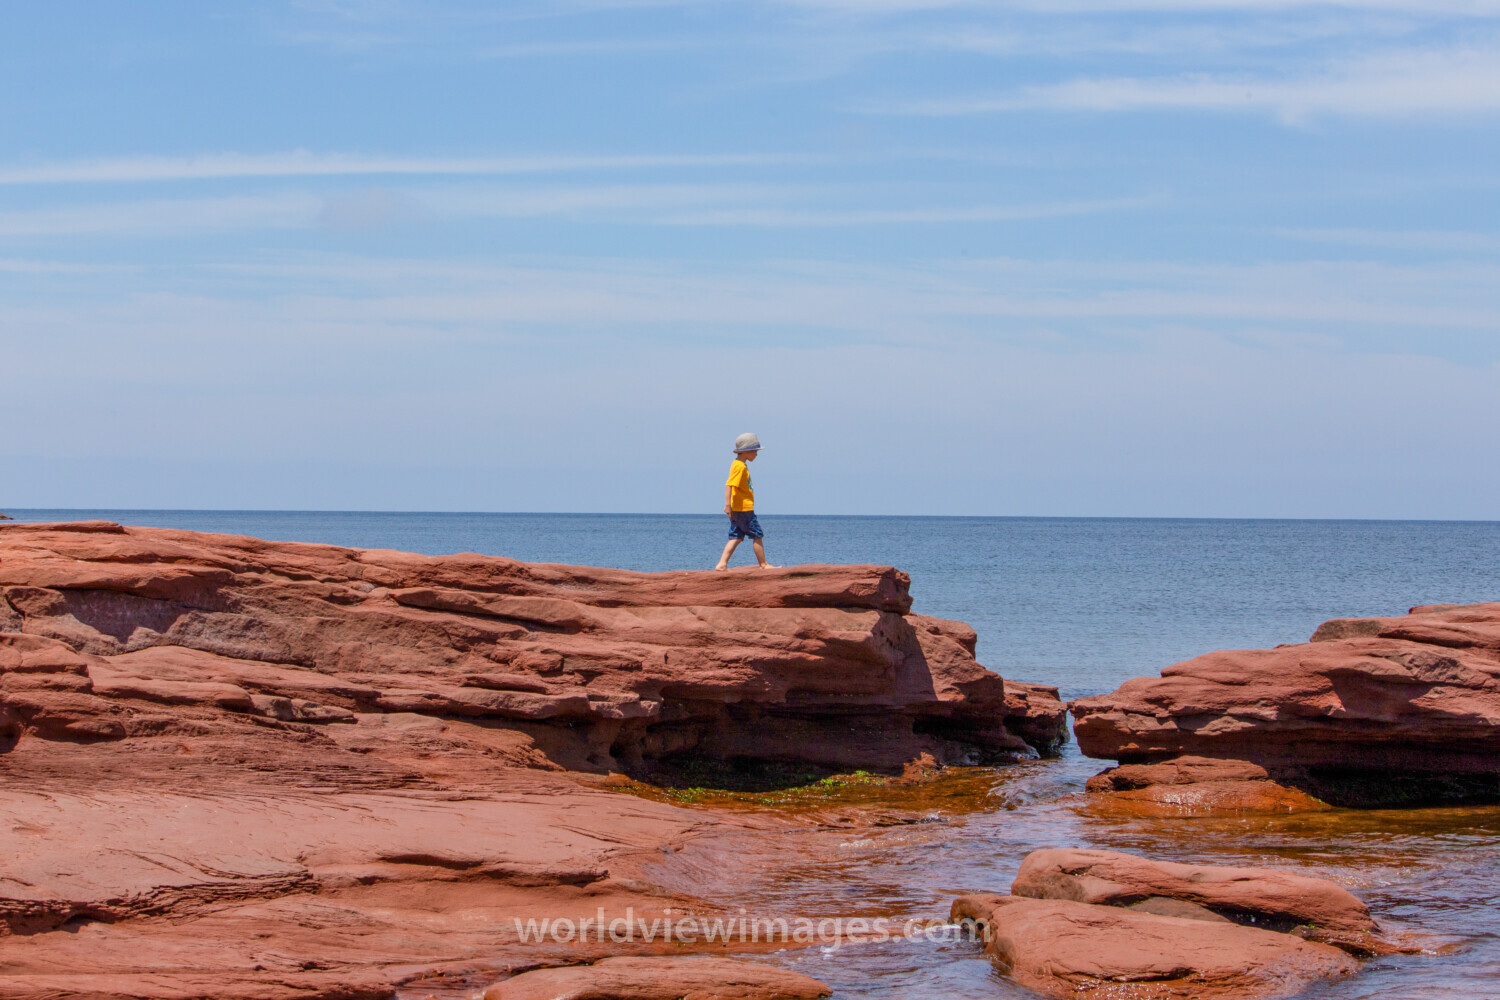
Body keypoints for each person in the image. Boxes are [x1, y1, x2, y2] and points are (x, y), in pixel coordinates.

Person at [714, 432, 777, 570]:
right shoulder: (740, 466)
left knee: (736, 537)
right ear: (746, 451)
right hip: (744, 509)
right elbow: (729, 485)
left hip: (738, 508)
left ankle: (722, 564)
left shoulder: (738, 464)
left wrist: (730, 506)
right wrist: (727, 505)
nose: (756, 454)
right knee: (757, 535)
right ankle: (764, 564)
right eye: (755, 451)